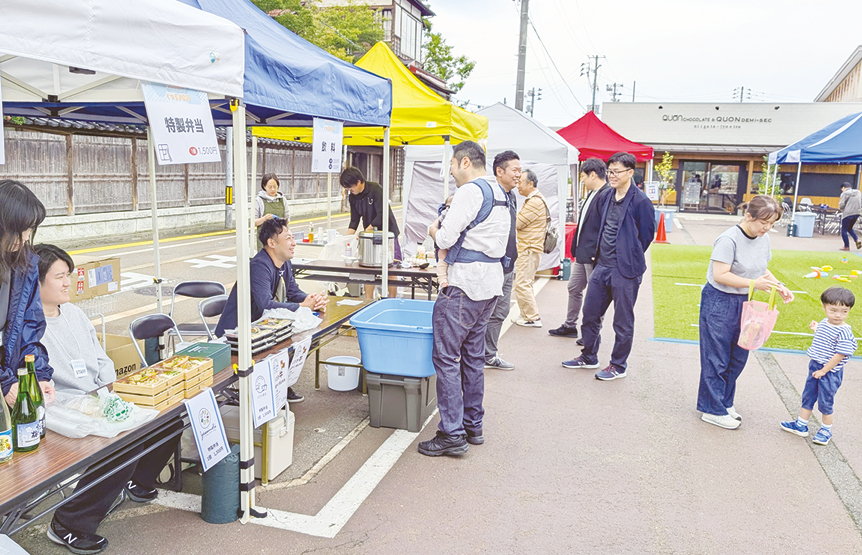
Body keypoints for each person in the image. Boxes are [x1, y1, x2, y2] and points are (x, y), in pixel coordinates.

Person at [33, 244, 179, 555]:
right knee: (122, 442)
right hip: (64, 407)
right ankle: (68, 523)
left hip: (98, 396)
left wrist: (108, 385)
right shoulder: (27, 328)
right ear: (36, 281)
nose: (67, 283)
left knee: (170, 418)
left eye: (68, 275)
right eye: (59, 277)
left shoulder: (73, 312)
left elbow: (100, 357)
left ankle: (137, 481)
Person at [419, 141, 510, 456]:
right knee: (473, 358)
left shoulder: (471, 192)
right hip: (490, 284)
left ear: (466, 162)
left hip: (464, 284)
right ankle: (473, 426)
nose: (452, 173)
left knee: (446, 357)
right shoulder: (500, 192)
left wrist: (433, 231)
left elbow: (445, 237)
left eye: (453, 166)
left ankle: (451, 433)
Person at [695, 195, 794, 429]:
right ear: (748, 216)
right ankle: (712, 409)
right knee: (716, 356)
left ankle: (724, 402)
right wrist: (753, 284)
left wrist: (779, 286)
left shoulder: (764, 238)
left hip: (744, 301)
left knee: (738, 356)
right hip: (719, 300)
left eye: (772, 223)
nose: (767, 228)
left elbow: (762, 268)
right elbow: (720, 274)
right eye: (763, 222)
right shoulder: (728, 239)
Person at [561, 152, 656, 380]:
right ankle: (588, 356)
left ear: (630, 173)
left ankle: (618, 365)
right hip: (601, 266)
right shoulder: (606, 197)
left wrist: (628, 254)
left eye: (616, 172)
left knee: (622, 322)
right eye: (610, 171)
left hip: (626, 270)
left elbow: (646, 235)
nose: (611, 176)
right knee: (590, 314)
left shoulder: (641, 201)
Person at [216, 217, 328, 403]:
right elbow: (266, 305)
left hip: (264, 329)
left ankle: (281, 384)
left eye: (293, 237)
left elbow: (292, 291)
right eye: (288, 238)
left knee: (309, 339)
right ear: (271, 243)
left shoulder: (284, 263)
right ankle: (271, 388)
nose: (293, 243)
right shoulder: (259, 266)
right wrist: (302, 306)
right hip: (237, 334)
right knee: (291, 342)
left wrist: (311, 300)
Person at [0, 180, 54, 408]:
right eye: (20, 229)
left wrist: (38, 375)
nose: (25, 237)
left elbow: (28, 329)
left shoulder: (24, 265)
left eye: (30, 228)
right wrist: (4, 382)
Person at [781, 287, 856, 445]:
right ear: (824, 307)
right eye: (833, 310)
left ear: (849, 310)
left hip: (829, 371)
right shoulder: (825, 323)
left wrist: (824, 370)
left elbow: (840, 355)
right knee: (808, 395)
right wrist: (817, 329)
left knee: (825, 401)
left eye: (844, 311)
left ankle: (826, 430)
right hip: (816, 366)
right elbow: (825, 338)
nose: (838, 315)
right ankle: (801, 425)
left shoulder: (844, 332)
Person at [549, 158, 609, 342]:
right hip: (583, 253)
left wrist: (596, 253)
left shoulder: (606, 195)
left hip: (593, 255)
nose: (581, 179)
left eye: (582, 176)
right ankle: (570, 325)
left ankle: (592, 333)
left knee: (595, 296)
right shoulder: (592, 193)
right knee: (574, 287)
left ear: (593, 174)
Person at [483, 151, 520, 370]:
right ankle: (474, 356)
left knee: (500, 312)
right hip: (492, 265)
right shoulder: (489, 195)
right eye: (515, 170)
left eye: (520, 170)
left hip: (509, 265)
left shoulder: (512, 196)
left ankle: (489, 355)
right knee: (483, 313)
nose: (519, 175)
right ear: (500, 171)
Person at [339, 166, 401, 298]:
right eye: (348, 189)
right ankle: (368, 300)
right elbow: (354, 220)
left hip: (388, 233)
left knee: (390, 269)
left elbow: (382, 215)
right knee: (368, 268)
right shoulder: (353, 197)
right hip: (369, 236)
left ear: (359, 182)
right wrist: (346, 239)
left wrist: (365, 232)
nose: (350, 191)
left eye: (351, 187)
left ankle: (392, 299)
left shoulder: (375, 190)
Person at [512, 168, 546, 327]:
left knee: (522, 283)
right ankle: (527, 315)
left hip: (528, 248)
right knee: (525, 282)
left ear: (530, 183)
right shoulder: (535, 199)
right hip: (530, 248)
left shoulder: (534, 201)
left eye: (520, 182)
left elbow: (517, 223)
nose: (518, 185)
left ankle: (532, 317)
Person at [254, 173, 290, 250]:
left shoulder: (282, 200)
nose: (273, 189)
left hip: (280, 238)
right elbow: (254, 222)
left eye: (275, 186)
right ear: (264, 186)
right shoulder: (259, 200)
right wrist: (264, 218)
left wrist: (281, 221)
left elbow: (287, 219)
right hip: (265, 240)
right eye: (270, 187)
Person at [434, 194, 455, 289]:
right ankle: (442, 280)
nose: (449, 209)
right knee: (442, 258)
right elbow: (436, 226)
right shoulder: (444, 214)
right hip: (445, 244)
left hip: (454, 245)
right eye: (447, 206)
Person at [838, 182, 861, 251]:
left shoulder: (844, 194)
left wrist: (841, 209)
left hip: (847, 214)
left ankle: (846, 246)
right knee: (849, 228)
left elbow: (841, 205)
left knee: (844, 230)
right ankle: (857, 240)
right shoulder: (858, 192)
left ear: (843, 188)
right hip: (857, 213)